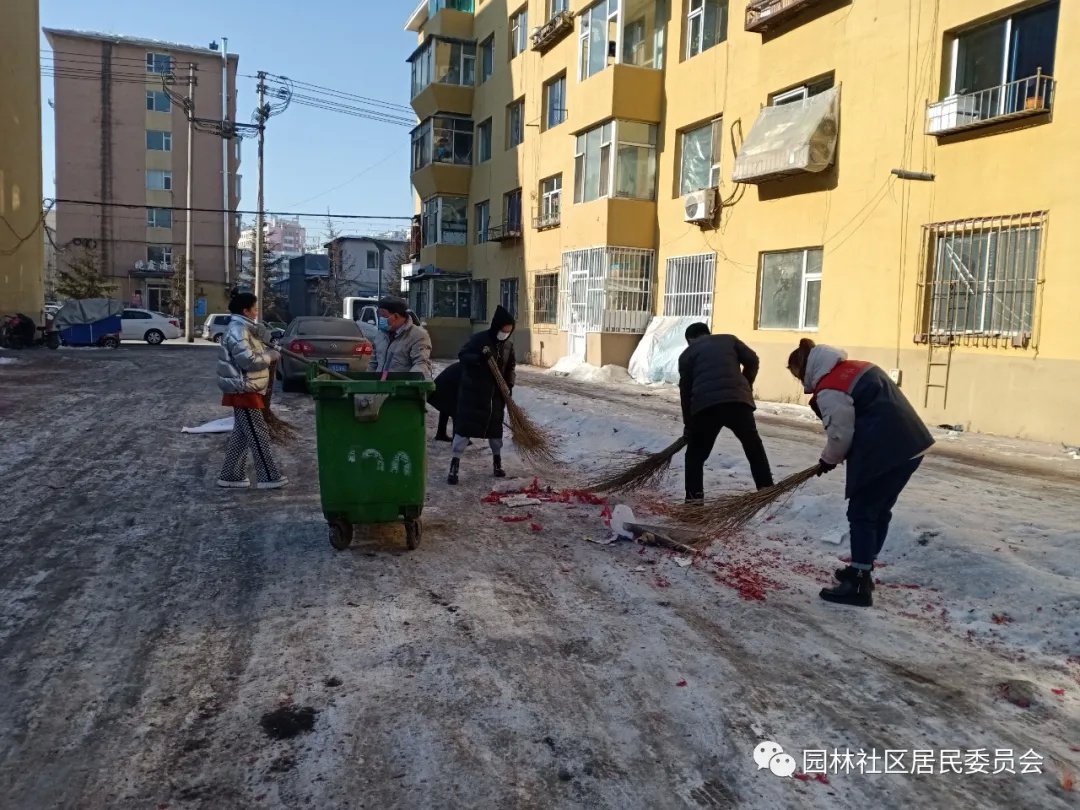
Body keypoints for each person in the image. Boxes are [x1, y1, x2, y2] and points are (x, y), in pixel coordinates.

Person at [787, 338, 934, 607]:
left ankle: (858, 586)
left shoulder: (831, 387)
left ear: (804, 368)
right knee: (878, 511)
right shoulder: (858, 368)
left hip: (884, 452)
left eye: (798, 376)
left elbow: (840, 434)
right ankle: (861, 569)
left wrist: (827, 460)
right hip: (911, 445)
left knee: (862, 513)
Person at [678, 322, 774, 502]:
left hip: (706, 407)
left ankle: (694, 502)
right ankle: (766, 490)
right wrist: (745, 384)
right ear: (708, 333)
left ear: (690, 340)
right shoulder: (729, 340)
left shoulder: (687, 355)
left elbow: (686, 392)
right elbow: (753, 360)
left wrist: (689, 425)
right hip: (738, 403)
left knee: (695, 457)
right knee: (753, 446)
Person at [216, 292, 287, 490]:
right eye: (254, 309)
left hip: (246, 387)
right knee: (258, 432)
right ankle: (268, 476)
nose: (257, 313)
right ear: (245, 310)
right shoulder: (238, 330)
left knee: (242, 433)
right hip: (243, 387)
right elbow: (248, 360)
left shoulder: (245, 328)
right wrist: (271, 356)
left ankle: (231, 475)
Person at [447, 306, 516, 485]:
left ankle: (497, 463)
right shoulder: (479, 340)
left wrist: (509, 386)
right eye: (503, 330)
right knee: (464, 431)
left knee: (495, 433)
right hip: (474, 394)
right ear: (496, 327)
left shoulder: (508, 346)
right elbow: (462, 355)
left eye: (509, 331)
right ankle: (454, 465)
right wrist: (478, 359)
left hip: (496, 397)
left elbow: (510, 368)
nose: (505, 334)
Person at [368, 296, 433, 379]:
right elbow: (373, 363)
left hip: (400, 387)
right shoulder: (381, 334)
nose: (381, 319)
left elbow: (421, 363)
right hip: (379, 387)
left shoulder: (418, 336)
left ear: (396, 316)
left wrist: (409, 383)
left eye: (384, 316)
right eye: (380, 316)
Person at [428, 361, 463, 442]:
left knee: (445, 408)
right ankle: (457, 438)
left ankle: (441, 433)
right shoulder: (470, 366)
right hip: (444, 387)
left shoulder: (465, 363)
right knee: (457, 411)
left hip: (440, 386)